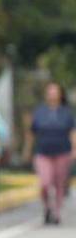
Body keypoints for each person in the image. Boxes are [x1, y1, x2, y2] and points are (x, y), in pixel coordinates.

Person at [27, 81, 76, 225]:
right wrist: (28, 151)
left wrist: (74, 149)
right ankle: (47, 206)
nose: (52, 94)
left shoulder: (66, 113)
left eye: (55, 91)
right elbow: (31, 133)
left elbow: (72, 132)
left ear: (60, 94)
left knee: (59, 184)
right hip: (43, 152)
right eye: (50, 91)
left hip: (62, 152)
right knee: (45, 183)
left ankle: (56, 212)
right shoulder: (39, 112)